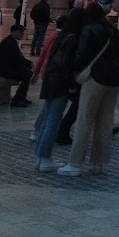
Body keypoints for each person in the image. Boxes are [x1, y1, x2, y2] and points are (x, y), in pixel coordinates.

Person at [58, 1, 119, 176]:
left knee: (84, 119)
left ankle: (75, 163)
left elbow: (81, 55)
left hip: (95, 78)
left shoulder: (89, 29)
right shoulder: (113, 30)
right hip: (114, 79)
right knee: (105, 122)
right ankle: (98, 163)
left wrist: (74, 77)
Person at [34, 9, 84, 172]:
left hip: (50, 79)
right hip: (60, 82)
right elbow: (68, 64)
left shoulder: (61, 36)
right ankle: (45, 158)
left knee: (48, 118)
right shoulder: (72, 38)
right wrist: (72, 84)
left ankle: (40, 157)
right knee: (53, 120)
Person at [0, 24, 33, 107]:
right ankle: (18, 98)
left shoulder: (12, 41)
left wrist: (28, 63)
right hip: (5, 70)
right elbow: (15, 59)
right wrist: (28, 63)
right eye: (21, 32)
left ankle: (21, 97)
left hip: (8, 67)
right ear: (16, 32)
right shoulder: (9, 42)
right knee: (26, 75)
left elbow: (18, 58)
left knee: (27, 72)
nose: (22, 34)